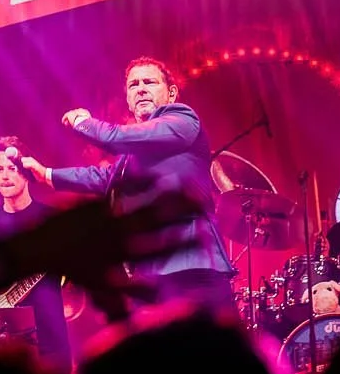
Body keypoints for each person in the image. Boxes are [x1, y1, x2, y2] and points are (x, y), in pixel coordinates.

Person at [24, 58, 233, 315]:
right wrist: (46, 175)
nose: (141, 89)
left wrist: (83, 122)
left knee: (213, 353)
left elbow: (116, 138)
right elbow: (104, 178)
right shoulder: (133, 152)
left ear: (171, 93)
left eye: (149, 82)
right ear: (128, 99)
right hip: (149, 275)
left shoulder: (182, 118)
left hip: (193, 266)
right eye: (134, 85)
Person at [0, 138, 72, 374]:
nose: (4, 176)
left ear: (27, 173)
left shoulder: (51, 220)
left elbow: (73, 271)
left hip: (50, 341)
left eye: (12, 169)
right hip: (3, 348)